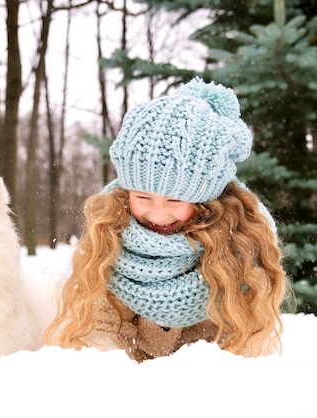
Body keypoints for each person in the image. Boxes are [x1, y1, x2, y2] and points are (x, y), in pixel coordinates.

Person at [44, 78, 291, 362]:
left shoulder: (240, 246)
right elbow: (98, 328)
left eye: (174, 200)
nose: (158, 214)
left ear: (206, 198)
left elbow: (245, 342)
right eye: (143, 197)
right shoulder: (110, 234)